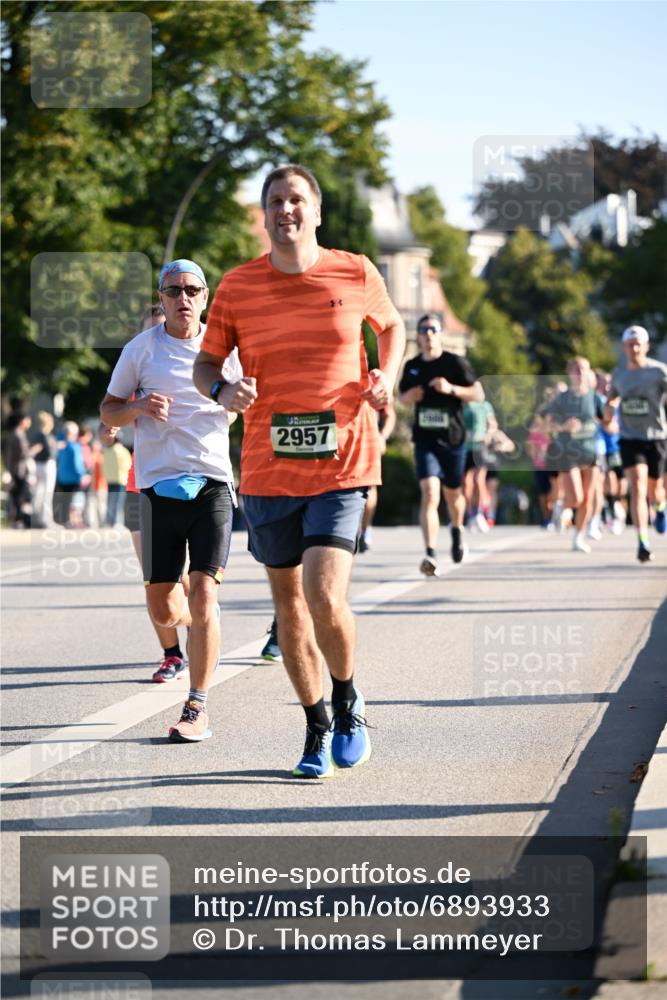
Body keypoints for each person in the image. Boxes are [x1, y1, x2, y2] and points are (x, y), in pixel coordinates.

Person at [194, 162, 406, 778]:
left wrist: (383, 376)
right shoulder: (237, 286)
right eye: (275, 201)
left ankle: (347, 700)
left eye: (296, 200)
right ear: (264, 215)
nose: (286, 210)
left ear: (316, 212)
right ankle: (315, 724)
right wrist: (222, 393)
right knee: (288, 605)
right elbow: (206, 365)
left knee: (322, 592)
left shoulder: (355, 270)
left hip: (344, 458)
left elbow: (390, 327)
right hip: (266, 468)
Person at [101, 259, 239, 742]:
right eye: (173, 290)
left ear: (205, 297)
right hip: (157, 490)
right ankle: (197, 625)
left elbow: (241, 403)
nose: (183, 298)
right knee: (163, 610)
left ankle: (197, 704)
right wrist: (138, 407)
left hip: (212, 485)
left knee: (203, 594)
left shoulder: (224, 349)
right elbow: (109, 407)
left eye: (192, 290)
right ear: (161, 298)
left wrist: (232, 403)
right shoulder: (141, 350)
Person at [398, 314, 484, 575]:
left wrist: (452, 390)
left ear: (440, 334)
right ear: (418, 336)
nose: (428, 334)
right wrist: (409, 397)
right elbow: (401, 397)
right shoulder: (412, 366)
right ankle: (430, 553)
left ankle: (457, 531)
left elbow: (478, 393)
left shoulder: (454, 363)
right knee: (429, 492)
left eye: (433, 329)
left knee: (453, 495)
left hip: (453, 439)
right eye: (423, 330)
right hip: (425, 439)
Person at [605, 325, 667, 563]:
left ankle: (660, 507)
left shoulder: (659, 372)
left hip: (656, 437)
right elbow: (609, 403)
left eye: (639, 343)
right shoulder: (619, 375)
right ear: (624, 347)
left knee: (655, 490)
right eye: (630, 344)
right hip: (630, 439)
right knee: (637, 487)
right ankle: (642, 541)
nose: (635, 348)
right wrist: (608, 411)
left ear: (647, 346)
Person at [545, 357, 604, 553]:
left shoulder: (595, 398)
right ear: (569, 372)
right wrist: (563, 426)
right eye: (576, 369)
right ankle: (562, 508)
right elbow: (546, 425)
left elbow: (608, 422)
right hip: (567, 451)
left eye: (583, 369)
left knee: (588, 498)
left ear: (589, 373)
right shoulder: (561, 398)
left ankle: (578, 537)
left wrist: (611, 423)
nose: (579, 372)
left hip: (590, 451)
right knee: (577, 497)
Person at [359, 401, 396, 552]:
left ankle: (365, 529)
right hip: (342, 444)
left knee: (369, 487)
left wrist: (383, 436)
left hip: (369, 444)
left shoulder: (372, 379)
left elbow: (389, 414)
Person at [55, 421, 89, 527]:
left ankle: (64, 521)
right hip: (73, 478)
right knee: (74, 502)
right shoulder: (74, 446)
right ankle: (72, 522)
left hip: (61, 478)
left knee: (64, 501)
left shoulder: (59, 445)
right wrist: (83, 474)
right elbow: (77, 463)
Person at [4, 412, 33, 529]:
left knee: (18, 495)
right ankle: (19, 519)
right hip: (19, 469)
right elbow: (23, 453)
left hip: (16, 469)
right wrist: (34, 450)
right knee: (20, 495)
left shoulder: (15, 434)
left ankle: (18, 519)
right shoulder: (18, 434)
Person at [30, 411, 57, 529]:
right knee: (47, 493)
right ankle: (46, 520)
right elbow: (50, 452)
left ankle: (36, 518)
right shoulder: (46, 435)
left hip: (38, 465)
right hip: (47, 465)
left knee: (38, 493)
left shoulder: (36, 435)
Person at [102, 435, 132, 526]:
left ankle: (109, 521)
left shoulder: (106, 450)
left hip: (109, 479)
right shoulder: (122, 451)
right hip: (121, 479)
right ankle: (117, 521)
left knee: (110, 501)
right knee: (119, 502)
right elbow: (128, 465)